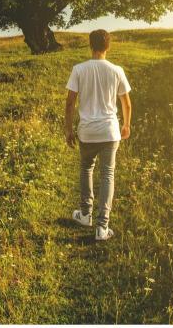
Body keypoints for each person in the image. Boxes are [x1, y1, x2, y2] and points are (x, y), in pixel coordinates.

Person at [64, 29, 132, 241]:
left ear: (90, 46)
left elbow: (69, 103)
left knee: (86, 169)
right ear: (108, 46)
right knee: (107, 174)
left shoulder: (79, 69)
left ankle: (85, 215)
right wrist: (127, 125)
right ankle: (102, 228)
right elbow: (126, 103)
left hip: (87, 131)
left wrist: (68, 129)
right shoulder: (116, 70)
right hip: (110, 131)